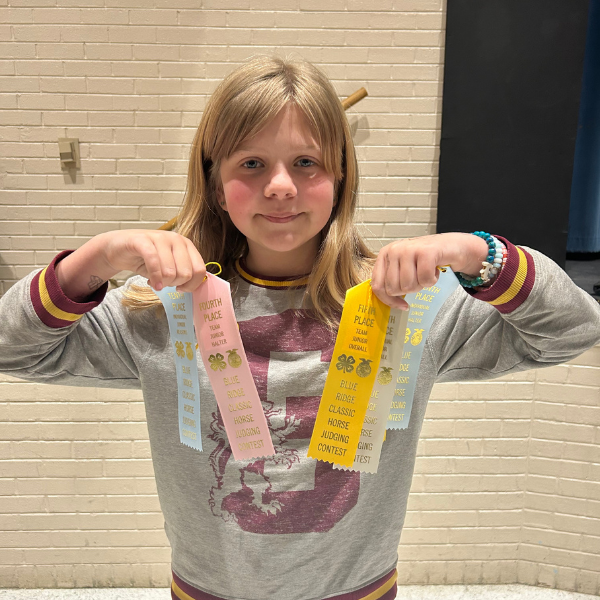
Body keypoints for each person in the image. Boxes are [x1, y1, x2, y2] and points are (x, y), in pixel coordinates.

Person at [1, 55, 599, 600]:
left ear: (340, 178)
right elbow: (13, 348)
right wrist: (94, 259)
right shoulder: (159, 311)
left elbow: (573, 329)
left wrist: (479, 254)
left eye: (306, 162)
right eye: (252, 163)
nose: (281, 185)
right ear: (215, 182)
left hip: (359, 590)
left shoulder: (414, 308)